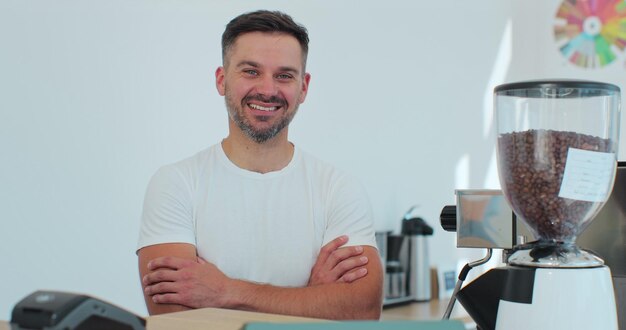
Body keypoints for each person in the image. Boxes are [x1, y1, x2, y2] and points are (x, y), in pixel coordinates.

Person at [136, 10, 383, 320]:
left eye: (284, 75)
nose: (267, 90)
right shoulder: (176, 184)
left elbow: (362, 310)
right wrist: (311, 299)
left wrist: (226, 291)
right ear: (222, 79)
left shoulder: (338, 189)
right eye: (251, 71)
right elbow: (176, 319)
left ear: (303, 87)